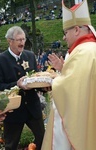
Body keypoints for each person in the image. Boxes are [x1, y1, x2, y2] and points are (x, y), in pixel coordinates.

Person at [41, 0, 96, 149]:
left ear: (77, 30)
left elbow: (70, 89)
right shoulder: (91, 49)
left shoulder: (81, 53)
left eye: (66, 32)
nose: (64, 38)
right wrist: (64, 69)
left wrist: (53, 80)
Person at [0, 26, 45, 150]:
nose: (22, 43)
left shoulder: (30, 55)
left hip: (33, 107)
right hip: (13, 111)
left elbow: (35, 78)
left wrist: (44, 87)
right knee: (11, 144)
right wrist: (17, 85)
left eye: (23, 39)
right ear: (10, 41)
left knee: (43, 138)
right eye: (19, 40)